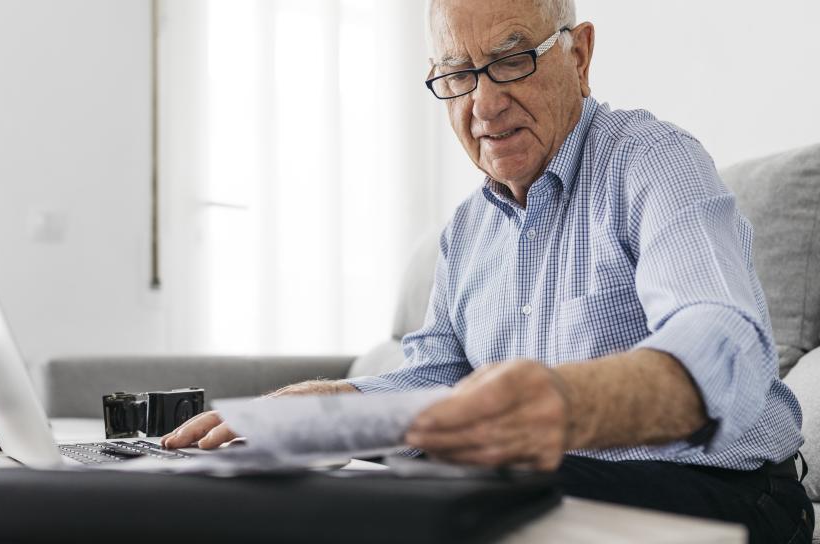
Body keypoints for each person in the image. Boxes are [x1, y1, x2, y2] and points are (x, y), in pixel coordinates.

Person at [163, 0, 813, 540]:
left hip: (731, 494)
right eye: (457, 75)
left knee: (453, 503)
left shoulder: (653, 161)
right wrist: (325, 408)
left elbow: (725, 336)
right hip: (564, 479)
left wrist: (569, 405)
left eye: (510, 60)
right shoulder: (467, 233)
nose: (484, 103)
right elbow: (431, 376)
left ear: (578, 57)